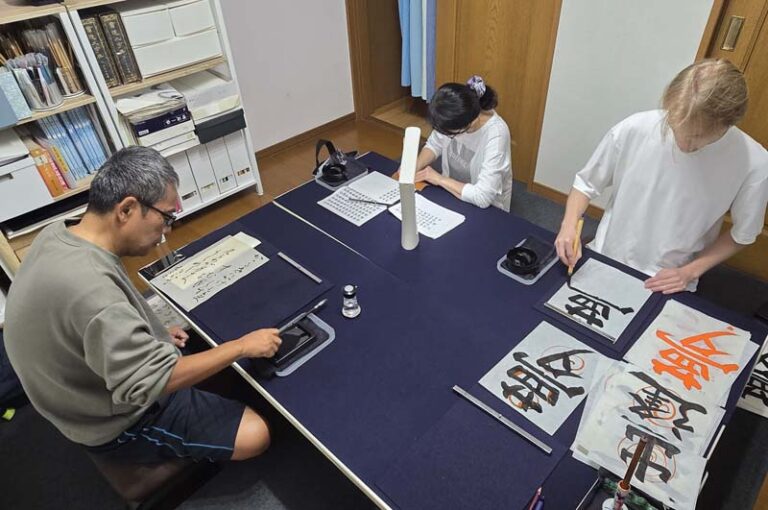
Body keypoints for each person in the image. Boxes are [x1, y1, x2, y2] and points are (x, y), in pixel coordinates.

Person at [4, 146, 282, 463]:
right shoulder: (92, 291)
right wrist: (242, 346)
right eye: (166, 217)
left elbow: (85, 322)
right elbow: (152, 383)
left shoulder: (58, 233)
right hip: (109, 422)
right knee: (255, 435)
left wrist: (148, 332)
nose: (167, 230)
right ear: (126, 209)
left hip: (68, 384)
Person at [555, 59, 768, 293]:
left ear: (726, 125)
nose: (683, 143)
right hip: (607, 252)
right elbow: (585, 184)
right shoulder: (636, 128)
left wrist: (690, 272)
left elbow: (743, 234)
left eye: (696, 137)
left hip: (671, 276)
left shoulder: (754, 163)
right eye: (674, 126)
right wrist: (569, 225)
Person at [412, 75, 513, 211]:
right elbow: (435, 144)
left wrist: (438, 179)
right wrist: (416, 165)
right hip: (450, 191)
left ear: (470, 123)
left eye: (450, 134)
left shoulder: (496, 133)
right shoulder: (455, 113)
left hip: (486, 207)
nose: (445, 135)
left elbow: (483, 197)